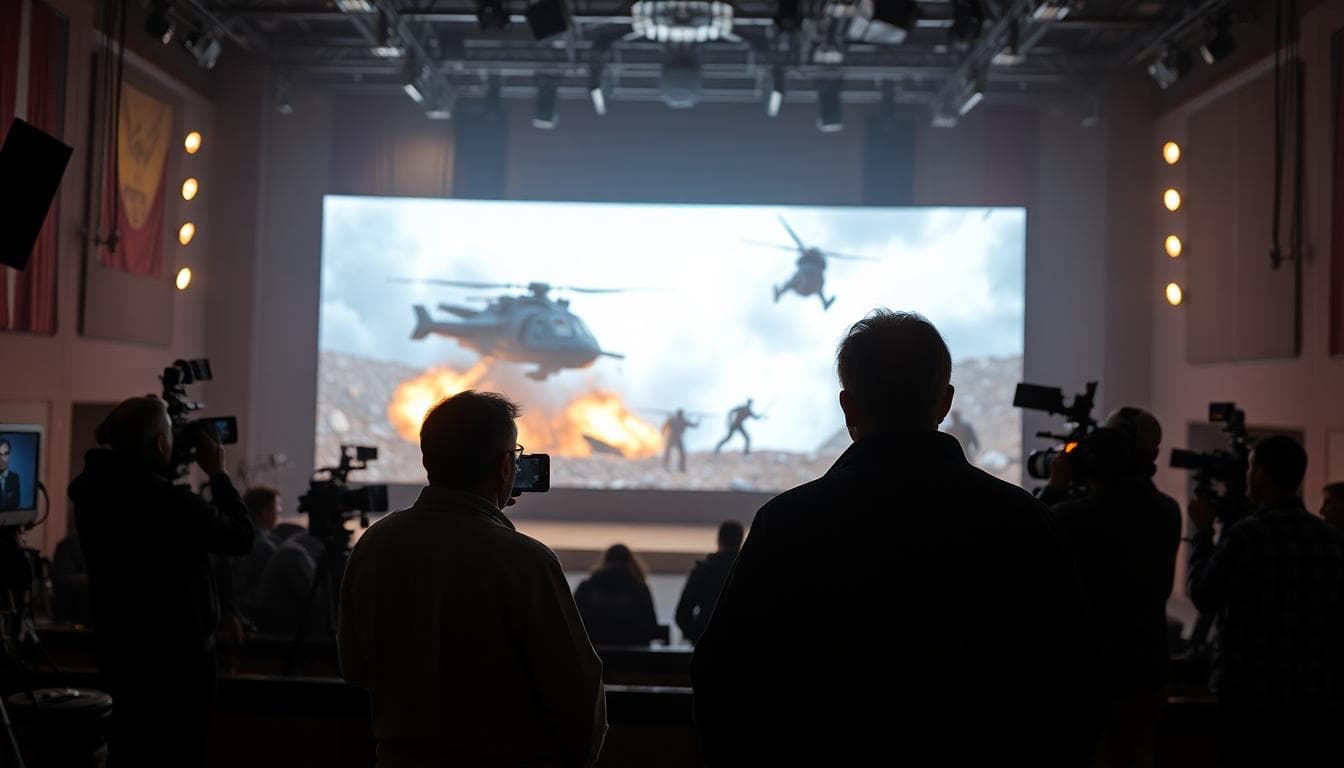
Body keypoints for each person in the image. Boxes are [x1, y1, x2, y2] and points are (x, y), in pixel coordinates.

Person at [691, 310, 1102, 766]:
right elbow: (1076, 682)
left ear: (848, 407)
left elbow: (722, 681)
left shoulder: (785, 523)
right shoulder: (1025, 522)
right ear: (944, 403)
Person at [339, 391, 605, 767]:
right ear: (503, 468)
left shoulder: (374, 545)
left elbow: (353, 667)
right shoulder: (525, 561)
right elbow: (579, 698)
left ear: (428, 459)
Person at [67, 395, 253, 766]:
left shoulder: (92, 491)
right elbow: (241, 537)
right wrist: (217, 473)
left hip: (121, 649)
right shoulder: (173, 505)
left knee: (131, 749)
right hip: (178, 666)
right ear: (158, 444)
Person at [1187, 436, 1344, 767]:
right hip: (1311, 702)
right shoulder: (1332, 540)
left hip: (1248, 699)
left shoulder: (1247, 536)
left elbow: (1204, 594)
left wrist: (1202, 533)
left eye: (1250, 466)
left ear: (1260, 474)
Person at [1049, 409, 1181, 768]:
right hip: (1145, 672)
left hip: (1080, 674)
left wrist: (1055, 488)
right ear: (1151, 457)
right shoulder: (1167, 512)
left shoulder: (1069, 517)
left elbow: (1031, 550)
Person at [573, 544, 661, 646]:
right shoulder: (640, 590)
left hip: (594, 653)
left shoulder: (586, 588)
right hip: (634, 655)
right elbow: (651, 627)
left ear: (605, 562)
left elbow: (573, 622)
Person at [675, 521, 743, 644]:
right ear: (740, 540)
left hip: (707, 640)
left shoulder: (704, 570)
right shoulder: (749, 570)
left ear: (719, 539)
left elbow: (682, 614)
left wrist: (698, 638)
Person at [233, 485, 282, 618]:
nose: (279, 511)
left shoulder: (240, 537)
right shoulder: (265, 546)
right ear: (264, 512)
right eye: (276, 507)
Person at [662, 408, 700, 473]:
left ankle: (678, 467)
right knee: (678, 453)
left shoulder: (673, 419)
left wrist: (668, 417)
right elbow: (695, 425)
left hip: (673, 438)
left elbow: (665, 426)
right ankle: (680, 467)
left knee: (674, 453)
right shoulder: (682, 420)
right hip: (675, 438)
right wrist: (699, 420)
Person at [0, 438, 20, 511]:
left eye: (5, 454)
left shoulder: (15, 478)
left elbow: (16, 506)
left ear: (9, 456)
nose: (2, 459)